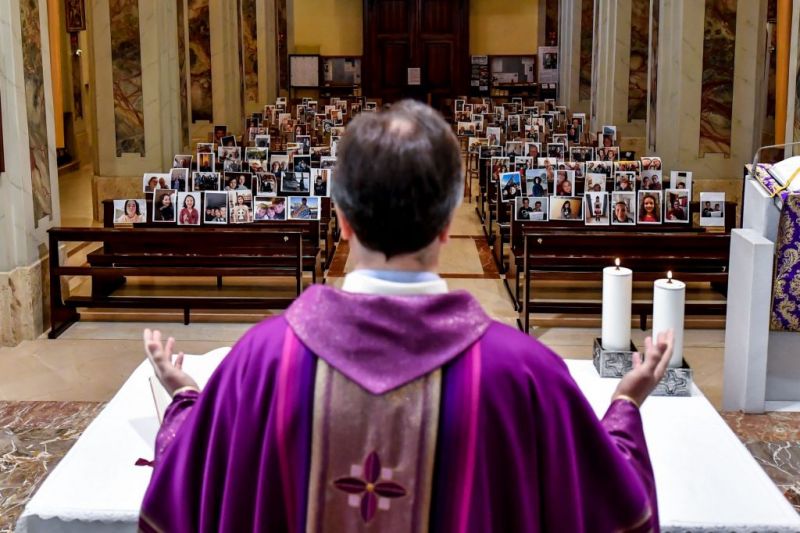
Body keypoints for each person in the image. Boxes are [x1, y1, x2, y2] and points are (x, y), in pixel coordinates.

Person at [140, 100, 670, 533]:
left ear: (342, 220)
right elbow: (612, 508)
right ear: (446, 223)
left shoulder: (256, 365)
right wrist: (625, 403)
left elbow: (183, 496)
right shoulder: (527, 374)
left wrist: (188, 398)